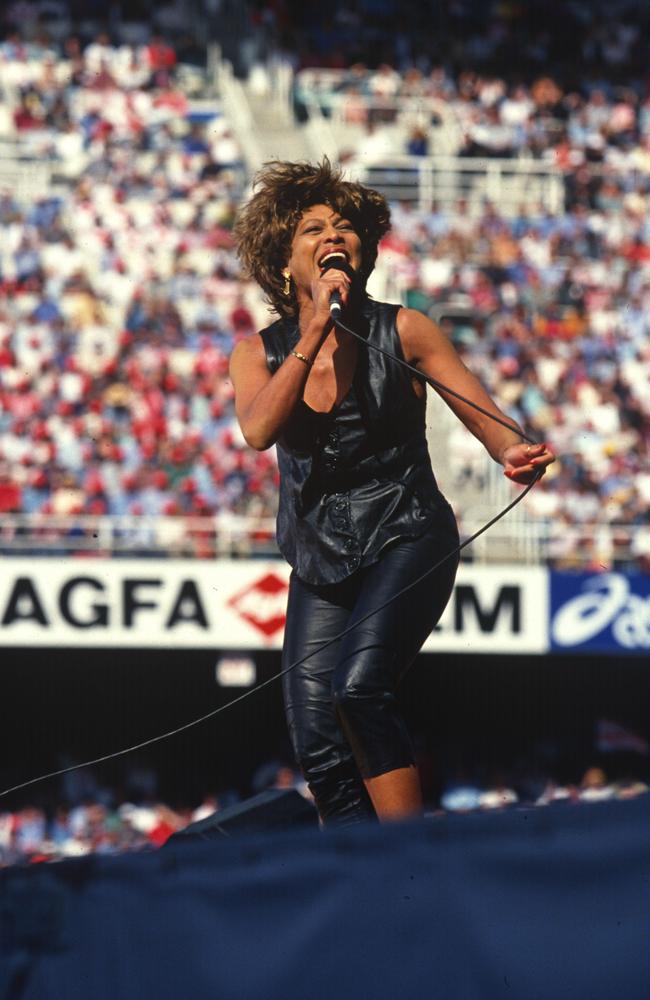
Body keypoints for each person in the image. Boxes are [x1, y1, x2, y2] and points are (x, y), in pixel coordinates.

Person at [230, 160, 555, 827]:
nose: (333, 235)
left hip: (408, 531)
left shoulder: (406, 329)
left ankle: (408, 863)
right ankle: (358, 874)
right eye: (313, 228)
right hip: (321, 556)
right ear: (285, 264)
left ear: (365, 250)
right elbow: (259, 428)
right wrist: (315, 328)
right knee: (315, 737)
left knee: (358, 689)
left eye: (345, 227)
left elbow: (487, 419)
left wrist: (512, 451)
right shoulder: (255, 354)